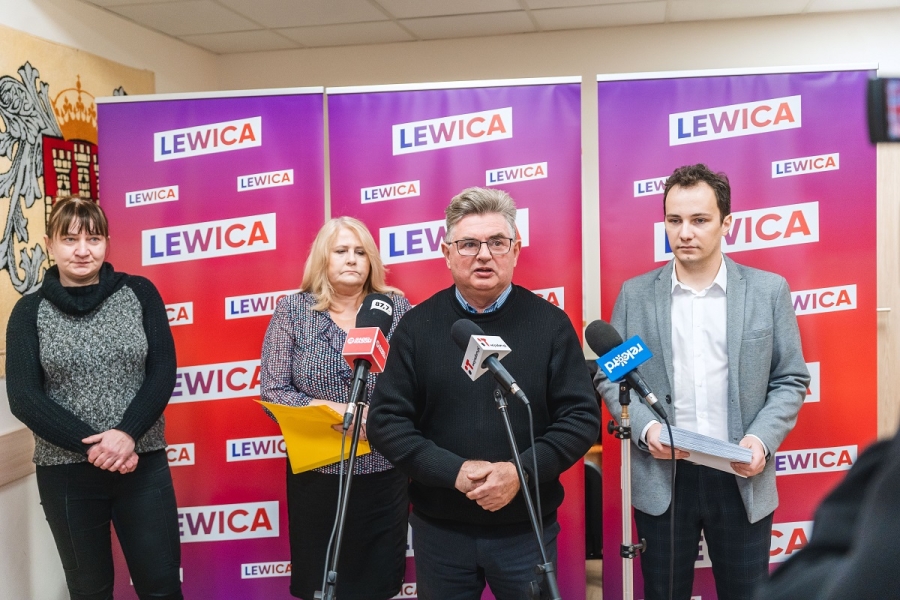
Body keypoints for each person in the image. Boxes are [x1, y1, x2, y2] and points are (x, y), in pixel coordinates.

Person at [367, 187, 600, 599]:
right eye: (469, 244)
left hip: (526, 529)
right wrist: (453, 472)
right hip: (441, 533)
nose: (484, 255)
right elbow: (386, 422)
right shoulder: (417, 327)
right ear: (447, 253)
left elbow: (580, 419)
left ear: (516, 249)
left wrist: (519, 473)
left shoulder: (550, 325)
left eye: (497, 242)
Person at [594, 164, 810, 600]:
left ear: (726, 223)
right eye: (674, 220)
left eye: (699, 220)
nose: (685, 232)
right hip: (662, 478)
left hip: (740, 475)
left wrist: (760, 441)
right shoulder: (636, 295)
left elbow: (790, 378)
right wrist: (647, 430)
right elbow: (611, 375)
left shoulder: (768, 291)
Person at [5, 196, 182, 600]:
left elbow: (161, 372)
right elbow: (24, 397)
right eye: (70, 239)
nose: (83, 250)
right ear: (50, 244)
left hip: (142, 464)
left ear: (107, 243)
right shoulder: (28, 312)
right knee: (89, 592)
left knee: (162, 588)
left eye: (94, 238)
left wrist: (126, 434)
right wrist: (98, 447)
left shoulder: (140, 292)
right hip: (66, 474)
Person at [260, 216, 411, 600]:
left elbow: (417, 386)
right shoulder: (293, 310)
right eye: (341, 251)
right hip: (318, 478)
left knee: (377, 584)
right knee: (322, 583)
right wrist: (330, 408)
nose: (352, 259)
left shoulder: (395, 308)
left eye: (361, 252)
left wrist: (375, 415)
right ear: (323, 259)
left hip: (382, 473)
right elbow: (273, 393)